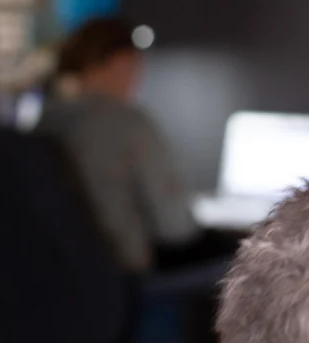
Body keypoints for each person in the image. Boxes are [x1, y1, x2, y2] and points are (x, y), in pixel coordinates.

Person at [34, 16, 201, 273]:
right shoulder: (129, 124)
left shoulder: (44, 121)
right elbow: (175, 228)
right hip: (122, 283)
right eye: (135, 68)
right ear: (119, 63)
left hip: (51, 278)